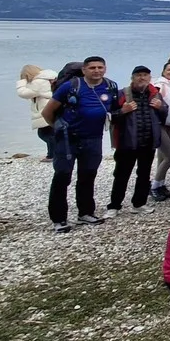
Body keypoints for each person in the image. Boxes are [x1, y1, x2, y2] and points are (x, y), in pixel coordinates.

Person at [41, 56, 121, 231]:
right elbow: (47, 112)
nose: (96, 70)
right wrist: (58, 128)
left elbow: (114, 111)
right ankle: (59, 219)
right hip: (68, 139)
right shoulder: (70, 86)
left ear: (105, 69)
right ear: (84, 70)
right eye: (92, 68)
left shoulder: (111, 86)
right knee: (62, 177)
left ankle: (85, 213)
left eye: (100, 67)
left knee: (88, 175)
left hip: (94, 139)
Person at [107, 65, 169, 215]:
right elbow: (109, 117)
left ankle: (139, 204)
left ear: (150, 78)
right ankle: (114, 206)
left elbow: (163, 116)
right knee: (121, 175)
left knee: (144, 174)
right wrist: (123, 111)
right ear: (132, 78)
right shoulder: (122, 93)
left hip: (148, 142)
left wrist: (161, 108)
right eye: (139, 75)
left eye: (145, 75)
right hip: (126, 143)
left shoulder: (155, 94)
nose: (142, 78)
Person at [148, 62, 170, 200]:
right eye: (169, 69)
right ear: (163, 71)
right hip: (159, 124)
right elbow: (153, 102)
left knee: (162, 157)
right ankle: (154, 186)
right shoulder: (160, 85)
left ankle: (160, 184)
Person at [16, 64, 58, 161]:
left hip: (44, 109)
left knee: (45, 134)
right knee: (50, 133)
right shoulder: (49, 79)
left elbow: (23, 93)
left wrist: (21, 82)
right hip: (51, 107)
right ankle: (52, 154)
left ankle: (53, 155)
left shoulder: (38, 82)